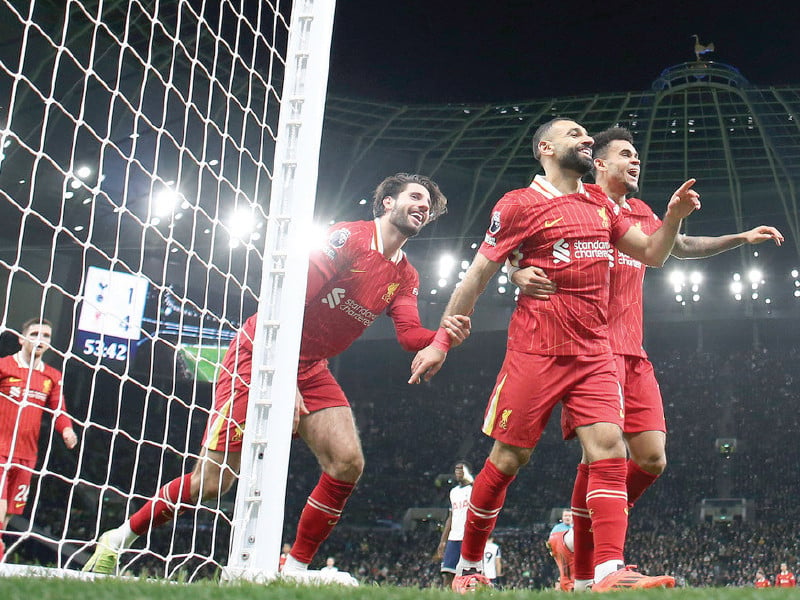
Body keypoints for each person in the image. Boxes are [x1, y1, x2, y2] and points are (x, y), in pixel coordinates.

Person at [83, 173, 471, 579]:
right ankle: (120, 536)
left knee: (347, 462)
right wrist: (281, 380)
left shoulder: (405, 276)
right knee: (212, 485)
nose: (424, 206)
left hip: (311, 366)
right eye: (415, 196)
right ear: (387, 202)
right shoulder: (347, 238)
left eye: (428, 204)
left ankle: (295, 568)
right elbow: (287, 304)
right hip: (262, 350)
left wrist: (445, 335)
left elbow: (410, 336)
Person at [409, 118, 700, 592]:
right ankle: (468, 567)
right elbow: (476, 274)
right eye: (575, 134)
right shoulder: (519, 204)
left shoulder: (600, 205)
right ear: (545, 148)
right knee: (508, 460)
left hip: (594, 353)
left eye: (589, 136)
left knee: (608, 450)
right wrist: (442, 340)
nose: (587, 139)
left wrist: (672, 216)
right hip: (536, 352)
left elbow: (650, 253)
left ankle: (607, 572)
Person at [511, 127, 784, 589]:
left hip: (633, 351)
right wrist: (518, 272)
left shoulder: (636, 211)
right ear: (598, 163)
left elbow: (679, 248)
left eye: (638, 155)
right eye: (625, 155)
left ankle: (576, 537)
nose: (636, 161)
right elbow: (524, 248)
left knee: (652, 458)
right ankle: (599, 565)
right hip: (589, 351)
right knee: (604, 455)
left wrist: (741, 237)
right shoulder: (582, 208)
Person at [0, 318, 78, 561]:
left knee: (12, 510)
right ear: (22, 339)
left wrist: (67, 430)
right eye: (35, 334)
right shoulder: (3, 366)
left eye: (46, 336)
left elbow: (58, 410)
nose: (40, 340)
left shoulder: (52, 376)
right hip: (0, 449)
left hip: (27, 454)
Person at [434, 462, 473, 587]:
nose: (458, 473)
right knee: (448, 572)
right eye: (456, 470)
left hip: (469, 538)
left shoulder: (474, 490)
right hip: (454, 538)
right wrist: (443, 541)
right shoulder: (454, 492)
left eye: (461, 470)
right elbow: (450, 517)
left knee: (468, 575)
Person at [546, 509, 574, 591]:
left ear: (573, 517)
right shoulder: (557, 528)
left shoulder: (575, 528)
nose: (567, 518)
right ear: (562, 517)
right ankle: (558, 587)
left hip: (572, 557)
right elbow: (550, 542)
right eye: (565, 516)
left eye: (569, 516)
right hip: (561, 556)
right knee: (561, 571)